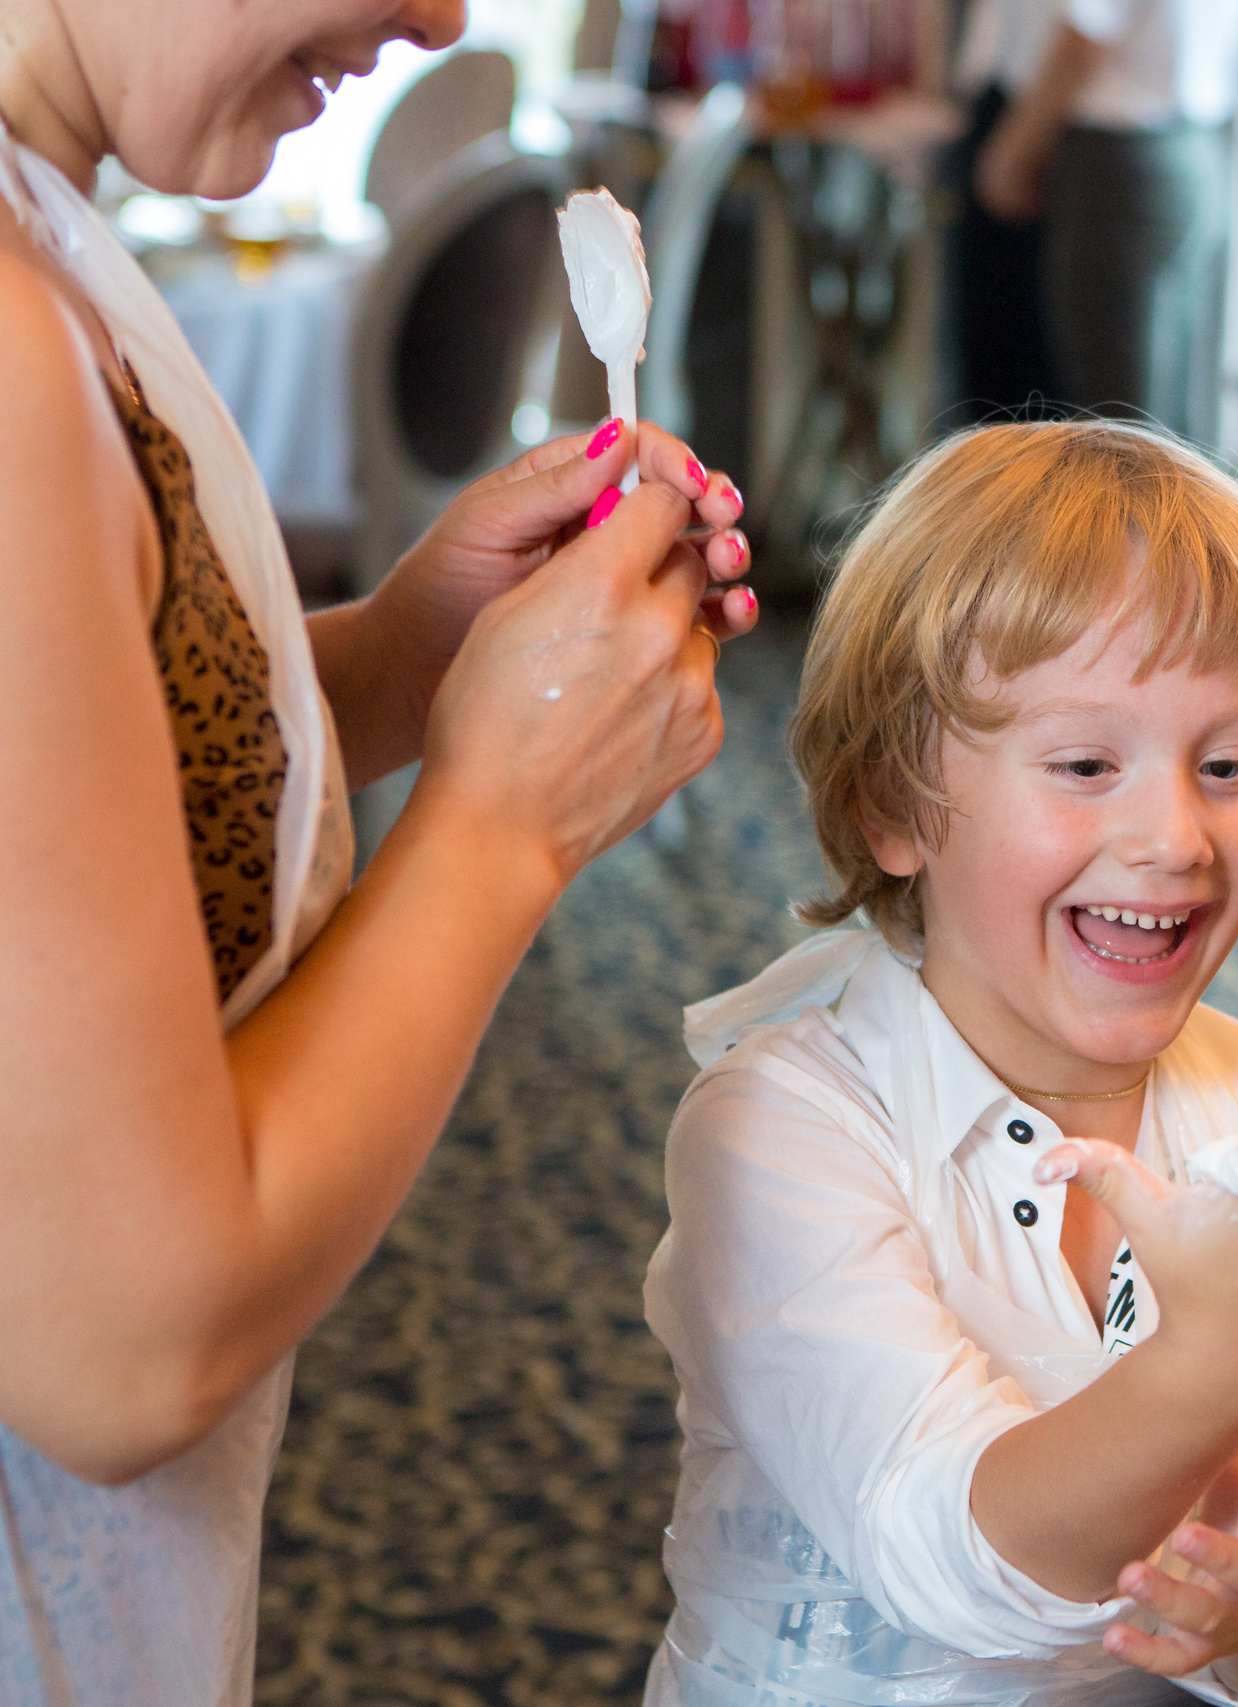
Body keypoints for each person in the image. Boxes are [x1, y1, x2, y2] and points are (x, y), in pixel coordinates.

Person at [0, 3, 759, 1701]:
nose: (444, 17)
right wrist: (503, 817)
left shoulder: (48, 225)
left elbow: (99, 806)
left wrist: (409, 653)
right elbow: (129, 1343)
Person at [642, 420, 1238, 1705]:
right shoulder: (781, 1126)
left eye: (1229, 766)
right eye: (1087, 764)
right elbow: (942, 1556)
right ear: (892, 805)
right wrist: (1216, 1357)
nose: (1174, 836)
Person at [950, 0, 1238, 441]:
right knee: (1177, 426)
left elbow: (1087, 32)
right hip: (1195, 149)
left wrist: (1008, 156)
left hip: (1118, 161)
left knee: (1119, 434)